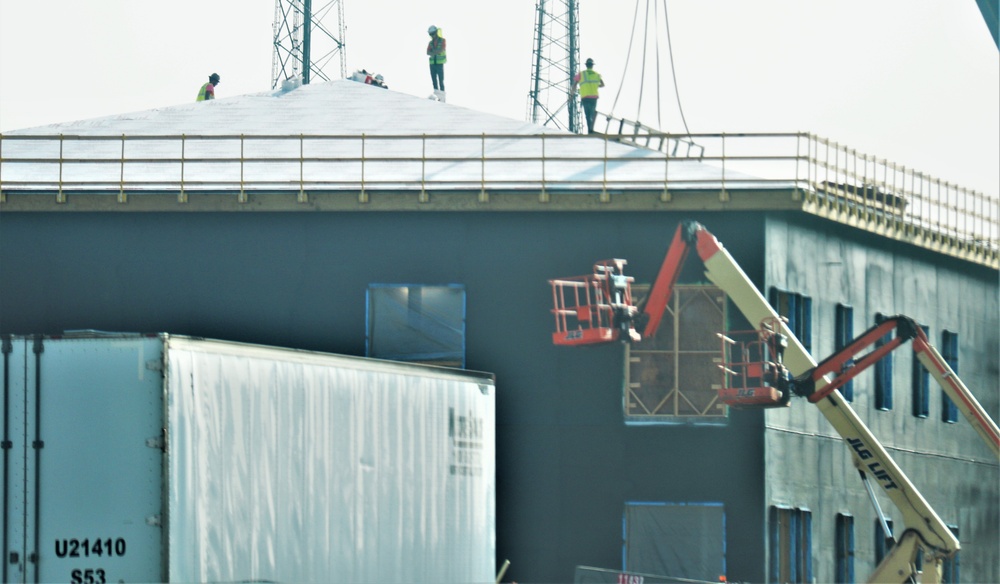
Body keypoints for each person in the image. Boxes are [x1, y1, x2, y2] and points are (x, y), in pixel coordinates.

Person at [572, 58, 604, 134]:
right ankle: (591, 129)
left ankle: (589, 129)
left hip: (585, 97)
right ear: (592, 66)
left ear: (586, 65)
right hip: (594, 98)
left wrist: (571, 94)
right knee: (592, 114)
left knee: (587, 114)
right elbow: (602, 84)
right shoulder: (597, 75)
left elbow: (574, 85)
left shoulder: (581, 74)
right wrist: (596, 85)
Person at [426, 25, 447, 97]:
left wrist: (433, 52)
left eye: (433, 33)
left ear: (436, 32)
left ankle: (442, 96)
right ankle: (437, 96)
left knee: (441, 81)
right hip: (432, 64)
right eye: (430, 34)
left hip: (439, 64)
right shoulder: (430, 43)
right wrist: (435, 52)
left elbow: (441, 49)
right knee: (434, 81)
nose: (432, 35)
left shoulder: (442, 40)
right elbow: (427, 52)